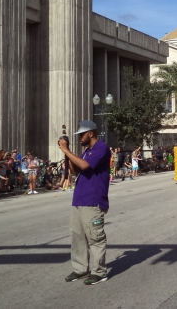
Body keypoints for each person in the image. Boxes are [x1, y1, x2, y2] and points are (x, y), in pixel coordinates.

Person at [58, 120, 111, 285]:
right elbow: (75, 170)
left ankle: (99, 271)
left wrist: (67, 149)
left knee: (95, 238)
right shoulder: (87, 151)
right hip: (79, 200)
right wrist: (66, 155)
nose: (80, 138)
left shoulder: (102, 148)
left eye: (82, 134)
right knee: (77, 237)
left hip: (93, 200)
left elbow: (85, 166)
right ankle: (80, 269)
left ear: (91, 133)